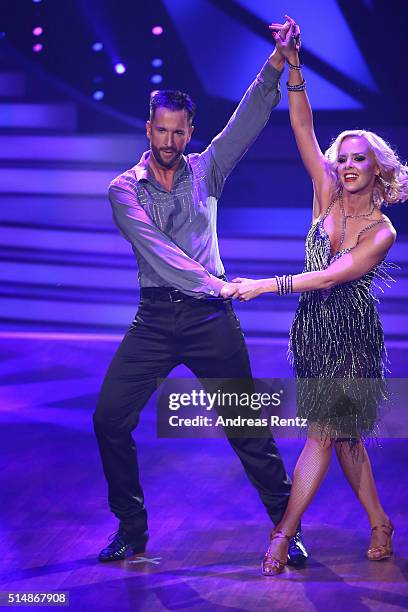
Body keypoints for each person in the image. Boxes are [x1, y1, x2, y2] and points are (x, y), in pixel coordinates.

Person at [93, 37, 308, 564]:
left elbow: (248, 120)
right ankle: (131, 528)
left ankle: (286, 531)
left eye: (178, 131)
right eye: (160, 129)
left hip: (210, 321)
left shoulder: (206, 168)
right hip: (157, 317)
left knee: (247, 429)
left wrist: (276, 62)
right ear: (149, 129)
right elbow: (162, 255)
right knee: (108, 419)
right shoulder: (125, 189)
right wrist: (219, 284)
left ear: (189, 132)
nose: (168, 140)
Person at [232, 15, 408, 576]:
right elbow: (303, 130)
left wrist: (264, 284)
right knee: (346, 436)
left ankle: (283, 533)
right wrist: (295, 64)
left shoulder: (382, 232)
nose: (349, 165)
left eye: (361, 159)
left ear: (378, 170)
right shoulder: (325, 191)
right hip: (311, 332)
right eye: (345, 157)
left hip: (353, 337)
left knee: (322, 434)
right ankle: (380, 521)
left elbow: (333, 277)